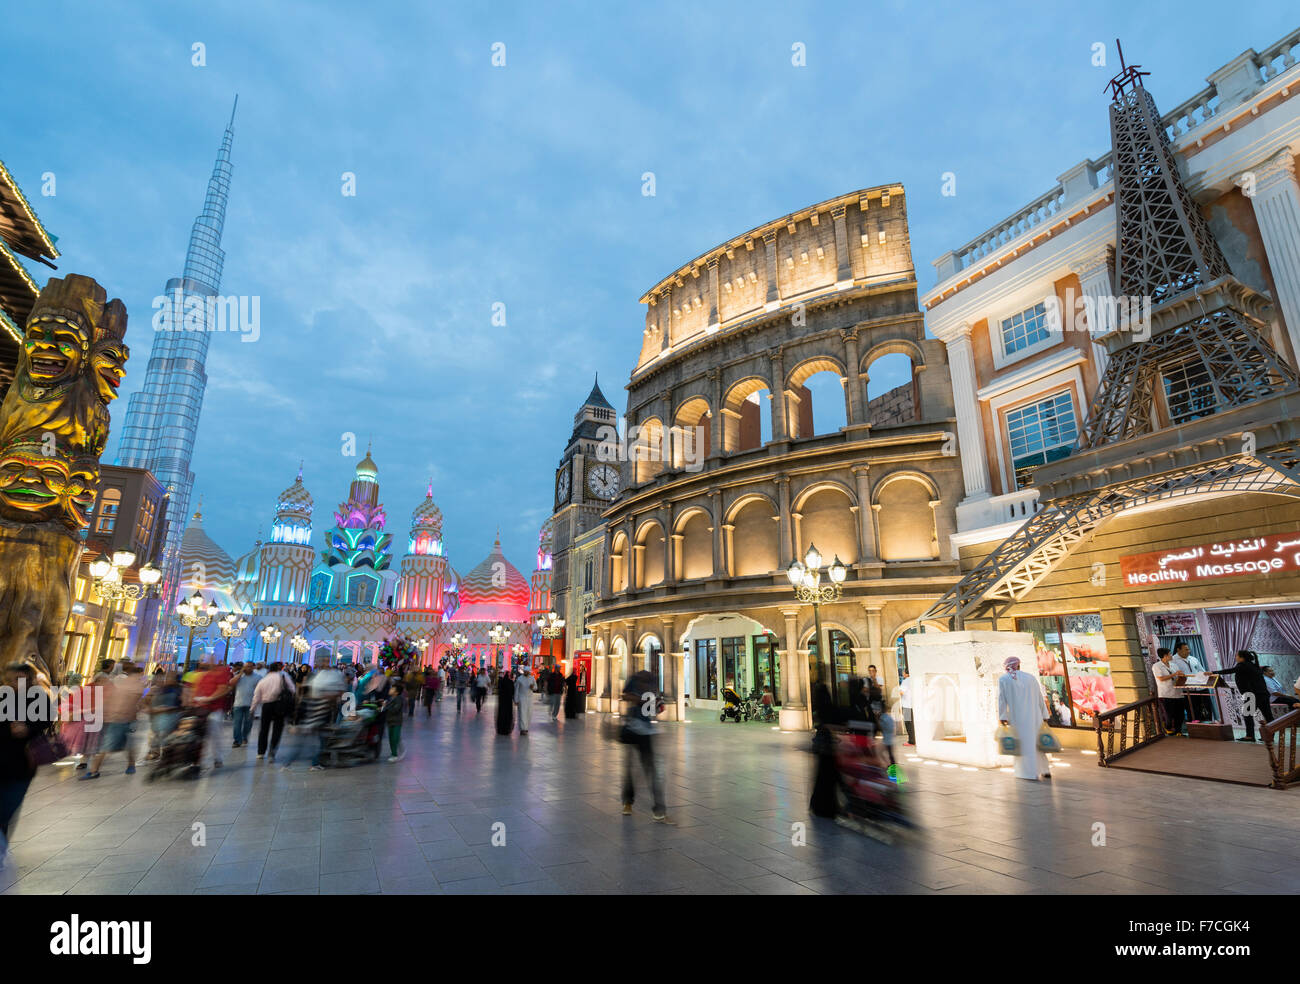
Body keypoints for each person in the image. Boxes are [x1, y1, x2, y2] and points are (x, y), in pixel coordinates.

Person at [1, 664, 53, 868]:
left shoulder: (39, 698)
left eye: (22, 679)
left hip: (23, 765)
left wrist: (28, 728)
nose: (17, 683)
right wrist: (9, 731)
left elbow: (47, 720)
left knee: (7, 809)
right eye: (14, 679)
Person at [620, 668, 671, 823]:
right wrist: (639, 700)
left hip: (647, 732)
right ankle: (628, 802)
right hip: (632, 729)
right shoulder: (633, 680)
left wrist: (658, 705)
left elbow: (658, 705)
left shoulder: (651, 684)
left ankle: (659, 809)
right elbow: (624, 695)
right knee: (631, 769)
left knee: (651, 770)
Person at [81, 663, 145, 780]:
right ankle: (95, 770)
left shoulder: (127, 684)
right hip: (119, 719)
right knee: (110, 746)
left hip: (123, 719)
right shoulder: (132, 685)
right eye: (139, 675)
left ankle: (96, 771)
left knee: (118, 745)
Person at [997, 656, 1050, 781]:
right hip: (1035, 716)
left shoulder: (1003, 679)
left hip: (1018, 718)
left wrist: (1003, 717)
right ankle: (1044, 770)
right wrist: (1044, 715)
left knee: (1024, 745)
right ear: (1019, 665)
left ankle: (1027, 773)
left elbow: (1001, 700)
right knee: (1037, 743)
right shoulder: (1030, 678)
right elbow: (1039, 697)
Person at [1218, 650, 1274, 742]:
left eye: (1237, 656)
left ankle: (1250, 736)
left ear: (1242, 657)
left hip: (1252, 695)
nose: (1235, 657)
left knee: (1247, 715)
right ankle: (1270, 735)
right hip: (1263, 693)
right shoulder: (1253, 665)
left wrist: (1214, 672)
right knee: (1268, 715)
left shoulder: (1242, 665)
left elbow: (1230, 670)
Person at [251, 661, 296, 762]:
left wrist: (252, 709)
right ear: (279, 669)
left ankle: (261, 752)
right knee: (277, 729)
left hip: (266, 706)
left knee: (264, 729)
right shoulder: (283, 677)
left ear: (268, 669)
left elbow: (256, 696)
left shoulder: (263, 680)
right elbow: (293, 690)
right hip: (280, 705)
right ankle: (272, 752)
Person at [192, 660, 233, 769]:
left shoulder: (222, 673)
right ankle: (197, 759)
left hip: (214, 709)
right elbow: (196, 690)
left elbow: (224, 689)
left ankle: (217, 758)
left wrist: (210, 698)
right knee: (199, 735)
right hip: (201, 708)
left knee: (215, 734)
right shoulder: (201, 676)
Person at [146, 669, 183, 759]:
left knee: (166, 737)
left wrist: (170, 709)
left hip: (171, 717)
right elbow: (146, 701)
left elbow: (183, 703)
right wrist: (151, 708)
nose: (166, 679)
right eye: (166, 677)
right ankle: (155, 752)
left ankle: (165, 754)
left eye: (170, 677)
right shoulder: (157, 688)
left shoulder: (179, 689)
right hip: (157, 718)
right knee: (154, 735)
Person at [1152, 648, 1183, 736]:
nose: (1171, 656)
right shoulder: (1157, 666)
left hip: (1178, 692)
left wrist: (1181, 675)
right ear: (1165, 656)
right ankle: (1168, 728)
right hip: (1166, 693)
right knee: (1169, 714)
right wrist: (1174, 674)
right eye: (1170, 654)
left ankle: (1178, 731)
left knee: (1179, 714)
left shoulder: (1174, 665)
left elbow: (1177, 676)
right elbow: (1161, 678)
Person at [231, 662, 258, 747]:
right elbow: (231, 683)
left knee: (248, 723)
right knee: (237, 723)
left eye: (250, 667)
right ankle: (237, 740)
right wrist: (240, 674)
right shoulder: (239, 676)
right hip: (238, 703)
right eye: (246, 667)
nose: (248, 668)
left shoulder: (258, 677)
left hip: (251, 704)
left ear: (253, 668)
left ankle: (244, 737)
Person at [386, 680, 407, 762]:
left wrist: (386, 707)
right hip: (390, 721)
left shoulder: (399, 699)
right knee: (391, 738)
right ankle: (393, 753)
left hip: (396, 722)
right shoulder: (391, 699)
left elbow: (395, 710)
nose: (390, 690)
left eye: (392, 689)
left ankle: (395, 754)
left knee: (395, 738)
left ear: (396, 692)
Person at [514, 665, 536, 734]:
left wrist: (533, 687)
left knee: (529, 713)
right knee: (522, 713)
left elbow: (536, 687)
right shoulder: (519, 679)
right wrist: (516, 700)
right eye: (525, 672)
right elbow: (516, 690)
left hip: (529, 698)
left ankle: (526, 728)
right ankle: (523, 729)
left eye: (527, 672)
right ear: (523, 672)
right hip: (522, 698)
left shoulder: (532, 679)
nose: (526, 673)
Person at [496, 671, 515, 736]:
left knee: (501, 714)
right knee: (508, 715)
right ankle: (507, 729)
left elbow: (499, 690)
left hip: (502, 702)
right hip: (508, 701)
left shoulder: (501, 682)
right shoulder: (511, 682)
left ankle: (501, 729)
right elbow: (513, 692)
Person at [898, 670, 914, 746]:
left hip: (907, 705)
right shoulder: (913, 679)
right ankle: (915, 739)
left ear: (906, 673)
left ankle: (911, 741)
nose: (902, 673)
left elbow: (901, 692)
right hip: (913, 705)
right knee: (913, 724)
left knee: (908, 724)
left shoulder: (905, 681)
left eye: (903, 672)